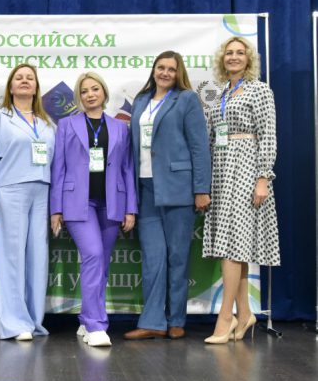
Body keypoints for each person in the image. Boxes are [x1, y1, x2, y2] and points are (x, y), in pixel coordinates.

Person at [124, 51, 211, 341]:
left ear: (178, 73)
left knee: (177, 257)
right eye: (160, 67)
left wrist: (201, 189)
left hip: (178, 188)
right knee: (153, 259)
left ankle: (176, 320)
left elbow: (199, 146)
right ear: (154, 70)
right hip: (145, 189)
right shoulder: (140, 101)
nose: (165, 73)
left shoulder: (186, 99)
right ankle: (152, 322)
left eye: (171, 69)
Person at [50, 72, 137, 347]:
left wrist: (130, 209)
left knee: (102, 263)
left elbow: (127, 169)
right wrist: (55, 209)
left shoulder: (120, 127)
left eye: (95, 89)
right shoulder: (67, 124)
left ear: (104, 92)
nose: (90, 94)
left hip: (112, 203)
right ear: (79, 96)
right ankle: (95, 325)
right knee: (94, 255)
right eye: (84, 91)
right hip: (78, 203)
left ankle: (86, 317)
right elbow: (59, 167)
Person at [203, 37, 280, 344]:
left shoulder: (259, 90)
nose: (233, 57)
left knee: (234, 245)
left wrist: (263, 178)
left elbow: (268, 135)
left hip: (246, 168)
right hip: (222, 171)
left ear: (249, 59)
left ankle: (225, 317)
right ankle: (246, 314)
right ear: (222, 59)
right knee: (236, 245)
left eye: (239, 53)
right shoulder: (221, 93)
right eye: (229, 53)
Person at [0, 64, 56, 340]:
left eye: (29, 78)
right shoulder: (2, 118)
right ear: (10, 86)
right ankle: (15, 323)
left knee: (37, 257)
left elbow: (57, 163)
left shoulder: (46, 123)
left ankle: (33, 320)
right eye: (19, 78)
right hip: (11, 190)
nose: (24, 81)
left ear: (36, 86)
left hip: (42, 192)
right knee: (12, 257)